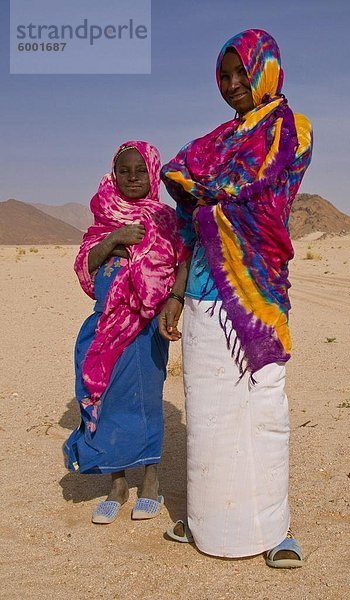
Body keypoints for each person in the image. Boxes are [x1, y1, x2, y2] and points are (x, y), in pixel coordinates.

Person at [159, 29, 313, 567]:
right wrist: (176, 291)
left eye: (240, 74)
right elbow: (187, 206)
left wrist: (209, 198)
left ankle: (275, 529)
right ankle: (206, 519)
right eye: (223, 76)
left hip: (257, 297)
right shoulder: (215, 141)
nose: (231, 85)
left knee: (262, 407)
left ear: (266, 70)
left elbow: (259, 198)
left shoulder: (292, 129)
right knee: (208, 412)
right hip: (202, 295)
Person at [64, 140, 183, 524]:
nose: (132, 177)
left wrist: (171, 303)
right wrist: (114, 240)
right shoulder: (103, 219)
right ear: (113, 175)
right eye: (123, 171)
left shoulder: (166, 219)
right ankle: (116, 484)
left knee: (146, 400)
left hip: (148, 326)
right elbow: (86, 265)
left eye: (139, 170)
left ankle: (151, 482)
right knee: (110, 399)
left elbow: (181, 261)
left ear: (152, 172)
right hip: (105, 324)